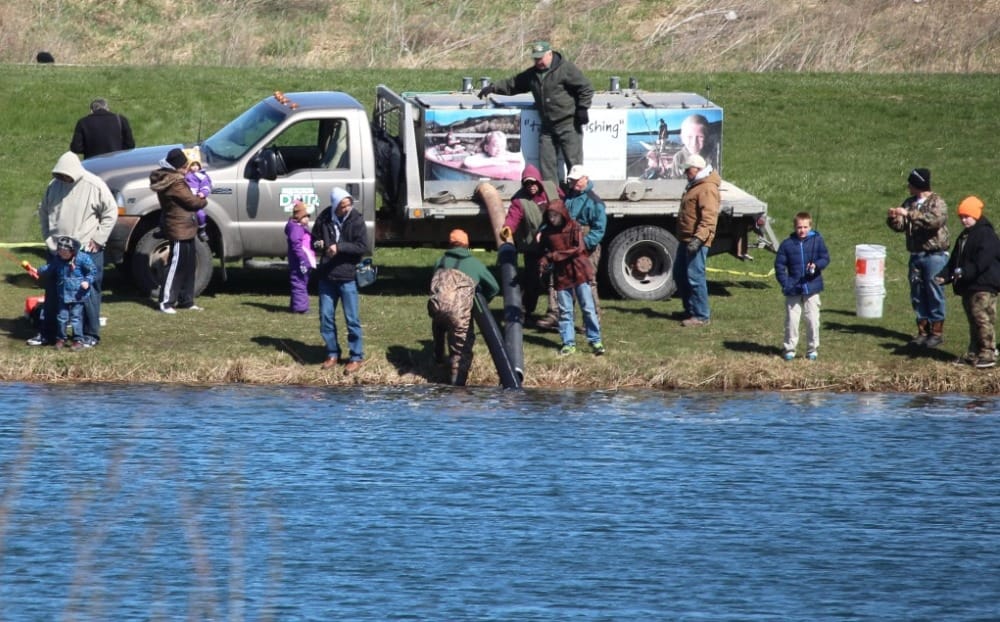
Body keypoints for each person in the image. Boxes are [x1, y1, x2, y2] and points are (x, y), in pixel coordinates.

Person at [31, 151, 117, 347]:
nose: (63, 178)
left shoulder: (94, 185)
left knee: (88, 291)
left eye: (66, 175)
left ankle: (90, 335)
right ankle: (49, 334)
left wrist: (99, 238)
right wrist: (48, 239)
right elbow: (44, 211)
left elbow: (111, 212)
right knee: (53, 290)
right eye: (59, 175)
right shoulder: (53, 186)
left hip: (86, 250)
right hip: (57, 250)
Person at [478, 40, 594, 184]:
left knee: (575, 166)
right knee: (547, 166)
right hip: (547, 127)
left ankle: (577, 198)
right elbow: (514, 84)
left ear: (550, 54)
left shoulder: (566, 69)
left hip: (568, 124)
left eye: (541, 58)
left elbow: (585, 88)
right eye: (536, 58)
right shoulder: (532, 74)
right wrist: (493, 88)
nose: (538, 61)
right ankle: (553, 199)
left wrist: (583, 108)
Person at [886, 167, 950, 347]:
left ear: (919, 185)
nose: (908, 187)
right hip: (916, 255)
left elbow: (934, 222)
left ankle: (936, 332)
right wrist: (893, 218)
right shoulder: (909, 202)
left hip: (934, 255)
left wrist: (909, 214)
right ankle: (923, 331)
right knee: (917, 293)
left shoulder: (937, 202)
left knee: (934, 292)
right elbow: (901, 226)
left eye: (911, 184)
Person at [428, 229, 500, 385]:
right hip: (460, 314)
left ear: (450, 244)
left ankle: (438, 362)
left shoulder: (440, 261)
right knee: (461, 351)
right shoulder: (475, 264)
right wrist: (479, 302)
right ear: (467, 244)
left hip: (437, 309)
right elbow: (494, 287)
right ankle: (457, 388)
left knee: (439, 328)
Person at [935, 196, 1000, 368]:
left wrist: (963, 272)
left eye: (967, 216)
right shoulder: (964, 236)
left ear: (976, 215)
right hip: (968, 285)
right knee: (972, 319)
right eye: (961, 217)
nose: (963, 220)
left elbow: (982, 261)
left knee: (982, 318)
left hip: (984, 284)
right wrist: (944, 275)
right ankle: (973, 353)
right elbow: (955, 260)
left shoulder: (986, 234)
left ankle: (988, 353)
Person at [312, 187, 370, 373]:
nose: (347, 208)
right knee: (326, 317)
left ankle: (356, 356)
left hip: (347, 276)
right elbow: (314, 238)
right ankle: (332, 353)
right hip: (327, 275)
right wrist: (319, 244)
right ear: (335, 205)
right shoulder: (324, 218)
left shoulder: (356, 219)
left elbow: (362, 247)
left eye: (349, 204)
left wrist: (340, 247)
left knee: (352, 319)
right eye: (343, 205)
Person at [538, 199, 605, 356]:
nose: (553, 219)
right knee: (565, 311)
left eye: (555, 215)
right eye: (550, 216)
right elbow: (543, 251)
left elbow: (577, 249)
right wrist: (544, 261)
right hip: (562, 275)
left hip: (579, 272)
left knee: (588, 308)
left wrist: (554, 256)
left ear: (562, 214)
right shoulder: (548, 232)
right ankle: (568, 343)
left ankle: (595, 340)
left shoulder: (574, 227)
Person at [499, 164, 559, 326]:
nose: (530, 187)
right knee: (532, 280)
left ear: (539, 182)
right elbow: (512, 219)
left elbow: (565, 205)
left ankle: (556, 314)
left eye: (533, 183)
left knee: (556, 280)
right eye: (526, 184)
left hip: (556, 244)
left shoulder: (551, 189)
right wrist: (506, 230)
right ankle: (525, 311)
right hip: (534, 247)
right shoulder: (519, 201)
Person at [150, 148, 207, 314]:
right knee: (176, 265)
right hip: (178, 227)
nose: (186, 169)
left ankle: (186, 300)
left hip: (186, 226)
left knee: (188, 265)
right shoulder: (174, 181)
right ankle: (165, 301)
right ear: (177, 167)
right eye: (184, 166)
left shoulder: (173, 178)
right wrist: (202, 199)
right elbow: (192, 202)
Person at [774, 212, 830, 361]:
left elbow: (825, 258)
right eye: (799, 227)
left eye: (805, 227)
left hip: (812, 287)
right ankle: (790, 349)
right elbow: (779, 265)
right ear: (794, 227)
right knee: (792, 320)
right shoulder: (787, 244)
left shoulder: (817, 240)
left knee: (812, 320)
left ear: (810, 226)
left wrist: (816, 265)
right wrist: (785, 283)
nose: (802, 230)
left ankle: (812, 349)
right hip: (793, 288)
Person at [673, 154, 720, 327]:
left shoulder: (707, 188)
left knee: (695, 276)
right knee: (679, 274)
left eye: (688, 169)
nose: (686, 172)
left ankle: (701, 316)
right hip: (686, 238)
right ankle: (690, 310)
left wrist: (698, 239)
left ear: (698, 169)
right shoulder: (696, 184)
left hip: (697, 240)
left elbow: (709, 218)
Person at [562, 164, 607, 317]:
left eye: (576, 180)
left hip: (588, 247)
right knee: (569, 280)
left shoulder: (595, 201)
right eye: (571, 180)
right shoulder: (569, 197)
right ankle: (568, 317)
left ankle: (593, 319)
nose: (573, 183)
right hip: (570, 243)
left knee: (588, 282)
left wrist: (584, 244)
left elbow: (599, 230)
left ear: (585, 178)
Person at [36, 236, 95, 351]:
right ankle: (61, 338)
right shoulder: (58, 260)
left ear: (72, 251)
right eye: (60, 252)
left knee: (76, 318)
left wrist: (87, 281)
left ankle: (78, 340)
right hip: (63, 294)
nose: (62, 254)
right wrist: (38, 270)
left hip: (78, 295)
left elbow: (92, 271)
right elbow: (50, 268)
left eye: (65, 252)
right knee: (61, 317)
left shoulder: (83, 258)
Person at [70, 98, 135, 159]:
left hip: (93, 162)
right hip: (116, 162)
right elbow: (130, 145)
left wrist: (89, 149)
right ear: (107, 108)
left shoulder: (83, 122)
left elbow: (76, 148)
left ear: (91, 111)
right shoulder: (121, 120)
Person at [285, 200, 316, 314]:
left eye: (308, 216)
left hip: (303, 260)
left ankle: (295, 305)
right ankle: (301, 308)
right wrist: (302, 260)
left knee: (300, 282)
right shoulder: (296, 229)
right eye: (305, 217)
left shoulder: (299, 227)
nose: (307, 219)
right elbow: (296, 246)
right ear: (298, 216)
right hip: (299, 261)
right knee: (300, 283)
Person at [668, 114, 711, 178]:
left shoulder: (712, 157)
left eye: (700, 137)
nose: (694, 143)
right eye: (689, 137)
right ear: (682, 138)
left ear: (707, 138)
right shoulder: (678, 158)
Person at [183, 148, 212, 242]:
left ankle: (202, 230)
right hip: (186, 198)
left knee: (201, 215)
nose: (195, 167)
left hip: (196, 198)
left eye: (197, 165)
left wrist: (203, 193)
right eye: (192, 165)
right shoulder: (186, 175)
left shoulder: (202, 176)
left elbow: (206, 185)